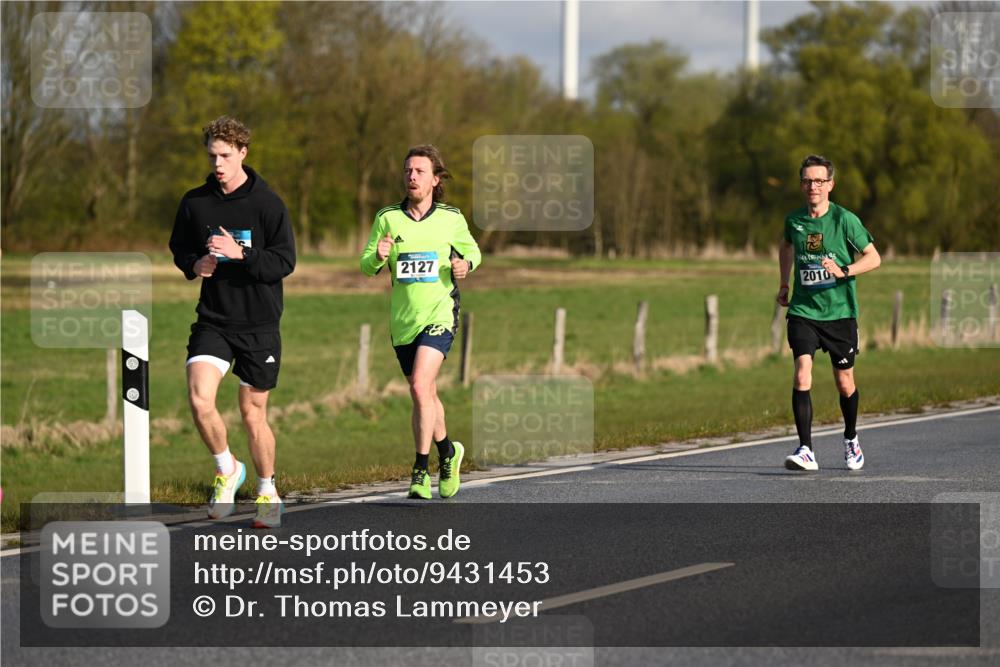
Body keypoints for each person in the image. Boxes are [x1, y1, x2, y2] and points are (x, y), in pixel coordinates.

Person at [169, 116, 296, 527]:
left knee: (252, 413)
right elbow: (179, 247)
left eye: (225, 155)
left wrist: (242, 254)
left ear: (243, 152)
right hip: (214, 320)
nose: (218, 164)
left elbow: (285, 261)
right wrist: (195, 264)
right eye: (212, 156)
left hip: (259, 323)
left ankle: (267, 490)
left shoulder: (268, 204)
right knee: (199, 398)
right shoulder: (195, 202)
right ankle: (227, 469)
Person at [360, 145, 481, 499]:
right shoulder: (387, 218)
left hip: (440, 313)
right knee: (425, 393)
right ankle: (449, 453)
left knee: (418, 386)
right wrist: (377, 256)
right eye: (408, 171)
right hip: (403, 322)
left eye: (419, 171)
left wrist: (465, 265)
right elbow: (366, 265)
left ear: (435, 179)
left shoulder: (451, 218)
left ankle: (420, 469)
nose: (412, 176)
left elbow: (473, 251)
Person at [777, 154, 881, 471]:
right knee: (801, 373)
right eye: (808, 180)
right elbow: (786, 246)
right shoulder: (794, 220)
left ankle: (850, 438)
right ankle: (806, 450)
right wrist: (784, 283)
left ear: (830, 185)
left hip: (839, 313)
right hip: (804, 310)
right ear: (801, 185)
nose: (813, 186)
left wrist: (843, 270)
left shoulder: (844, 220)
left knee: (845, 383)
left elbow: (874, 257)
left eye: (819, 181)